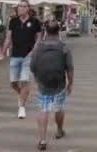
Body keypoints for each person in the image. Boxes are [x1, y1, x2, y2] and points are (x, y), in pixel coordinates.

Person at [30, 21, 74, 151]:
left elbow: (32, 66)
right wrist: (70, 83)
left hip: (43, 83)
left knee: (44, 109)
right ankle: (59, 130)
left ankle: (42, 140)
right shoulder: (64, 47)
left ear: (46, 32)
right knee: (59, 107)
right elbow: (69, 68)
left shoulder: (38, 47)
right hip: (59, 83)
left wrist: (38, 79)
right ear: (58, 31)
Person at [0, 0, 43, 119]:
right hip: (15, 55)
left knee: (24, 80)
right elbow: (8, 38)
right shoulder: (13, 21)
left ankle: (21, 107)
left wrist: (33, 51)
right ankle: (22, 95)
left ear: (28, 8)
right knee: (13, 83)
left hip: (28, 56)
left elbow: (39, 39)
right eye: (20, 6)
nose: (21, 8)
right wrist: (3, 52)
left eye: (24, 6)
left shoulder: (35, 22)